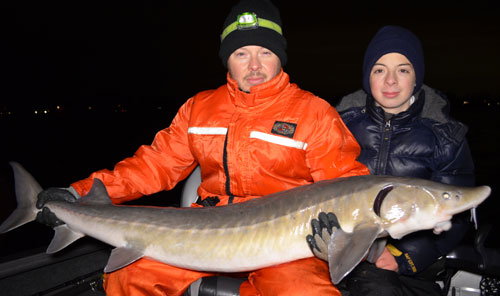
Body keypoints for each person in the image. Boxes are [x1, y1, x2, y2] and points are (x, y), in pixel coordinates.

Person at [36, 0, 369, 295]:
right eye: (242, 53)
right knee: (128, 275)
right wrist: (75, 193)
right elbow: (154, 166)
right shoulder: (200, 108)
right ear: (227, 59)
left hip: (285, 241)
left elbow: (350, 187)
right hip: (204, 231)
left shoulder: (313, 113)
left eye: (264, 52)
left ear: (279, 57)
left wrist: (342, 230)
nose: (254, 65)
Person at [308, 25, 475, 295]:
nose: (390, 81)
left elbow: (456, 216)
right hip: (338, 254)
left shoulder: (445, 135)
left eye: (403, 69)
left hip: (407, 268)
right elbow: (314, 189)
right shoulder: (338, 124)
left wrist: (404, 256)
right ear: (367, 76)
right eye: (380, 70)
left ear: (417, 76)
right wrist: (324, 236)